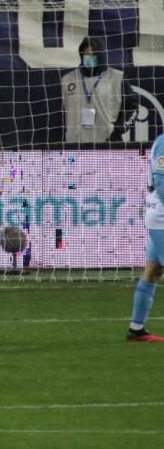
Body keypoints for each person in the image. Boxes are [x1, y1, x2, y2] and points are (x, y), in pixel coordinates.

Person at [61, 37, 137, 144]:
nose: (89, 57)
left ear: (101, 54)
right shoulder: (67, 79)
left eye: (93, 54)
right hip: (74, 144)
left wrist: (118, 130)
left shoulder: (117, 77)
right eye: (86, 54)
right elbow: (59, 114)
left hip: (106, 143)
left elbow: (132, 107)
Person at [125, 132, 164, 342]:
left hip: (157, 215)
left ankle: (136, 328)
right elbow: (161, 182)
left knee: (153, 271)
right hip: (162, 217)